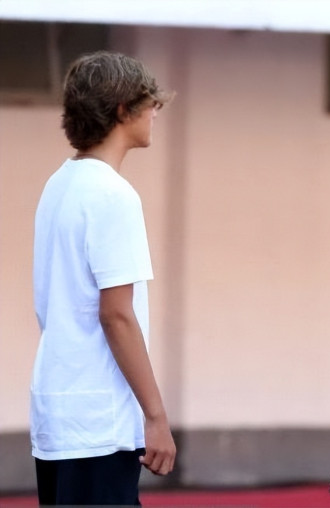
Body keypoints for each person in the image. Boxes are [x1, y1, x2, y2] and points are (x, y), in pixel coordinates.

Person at [31, 51, 176, 506]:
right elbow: (116, 315)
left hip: (57, 412)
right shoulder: (113, 195)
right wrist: (156, 416)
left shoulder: (59, 184)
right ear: (122, 110)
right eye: (149, 103)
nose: (155, 112)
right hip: (99, 423)